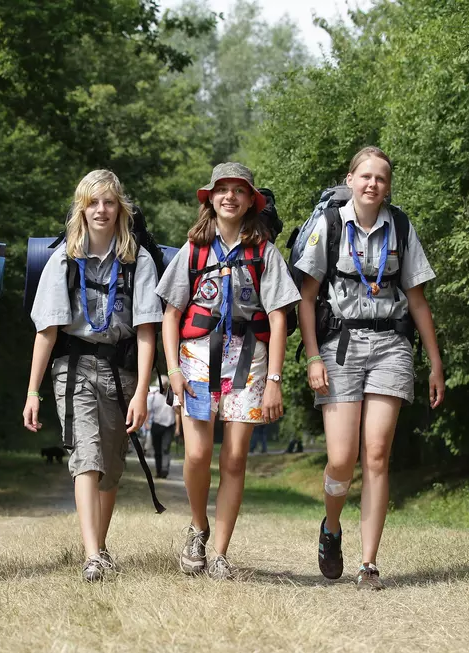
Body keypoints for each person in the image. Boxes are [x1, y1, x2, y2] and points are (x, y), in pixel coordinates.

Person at [295, 146, 444, 590]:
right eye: (366, 176)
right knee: (342, 459)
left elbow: (417, 299)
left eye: (381, 178)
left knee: (376, 455)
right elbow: (305, 298)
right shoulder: (329, 225)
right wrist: (313, 356)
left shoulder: (400, 226)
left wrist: (435, 363)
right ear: (351, 179)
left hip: (391, 346)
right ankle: (332, 528)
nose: (373, 184)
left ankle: (369, 564)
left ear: (387, 186)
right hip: (339, 347)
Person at [156, 162, 300, 580]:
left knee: (235, 458)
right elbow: (171, 313)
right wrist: (173, 371)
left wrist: (275, 381)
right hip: (196, 359)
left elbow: (277, 319)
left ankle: (219, 551)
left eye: (240, 190)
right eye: (223, 189)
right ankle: (198, 527)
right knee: (199, 454)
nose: (230, 197)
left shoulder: (264, 251)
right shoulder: (193, 249)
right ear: (211, 198)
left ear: (251, 200)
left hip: (250, 361)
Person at [23, 170, 161, 583]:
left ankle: (99, 546)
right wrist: (32, 390)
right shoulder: (63, 260)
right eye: (93, 202)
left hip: (123, 371)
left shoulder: (139, 261)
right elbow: (46, 331)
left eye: (109, 202)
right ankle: (91, 557)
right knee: (87, 456)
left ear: (121, 208)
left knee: (112, 465)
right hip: (74, 368)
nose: (101, 210)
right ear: (81, 208)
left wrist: (142, 392)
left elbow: (147, 332)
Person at [146, 377, 178, 478]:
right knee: (157, 450)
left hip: (169, 425)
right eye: (161, 385)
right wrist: (146, 423)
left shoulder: (172, 395)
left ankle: (165, 470)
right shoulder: (153, 396)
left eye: (165, 385)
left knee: (165, 448)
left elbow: (177, 413)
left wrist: (178, 427)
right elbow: (148, 411)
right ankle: (158, 470)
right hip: (156, 424)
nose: (163, 387)